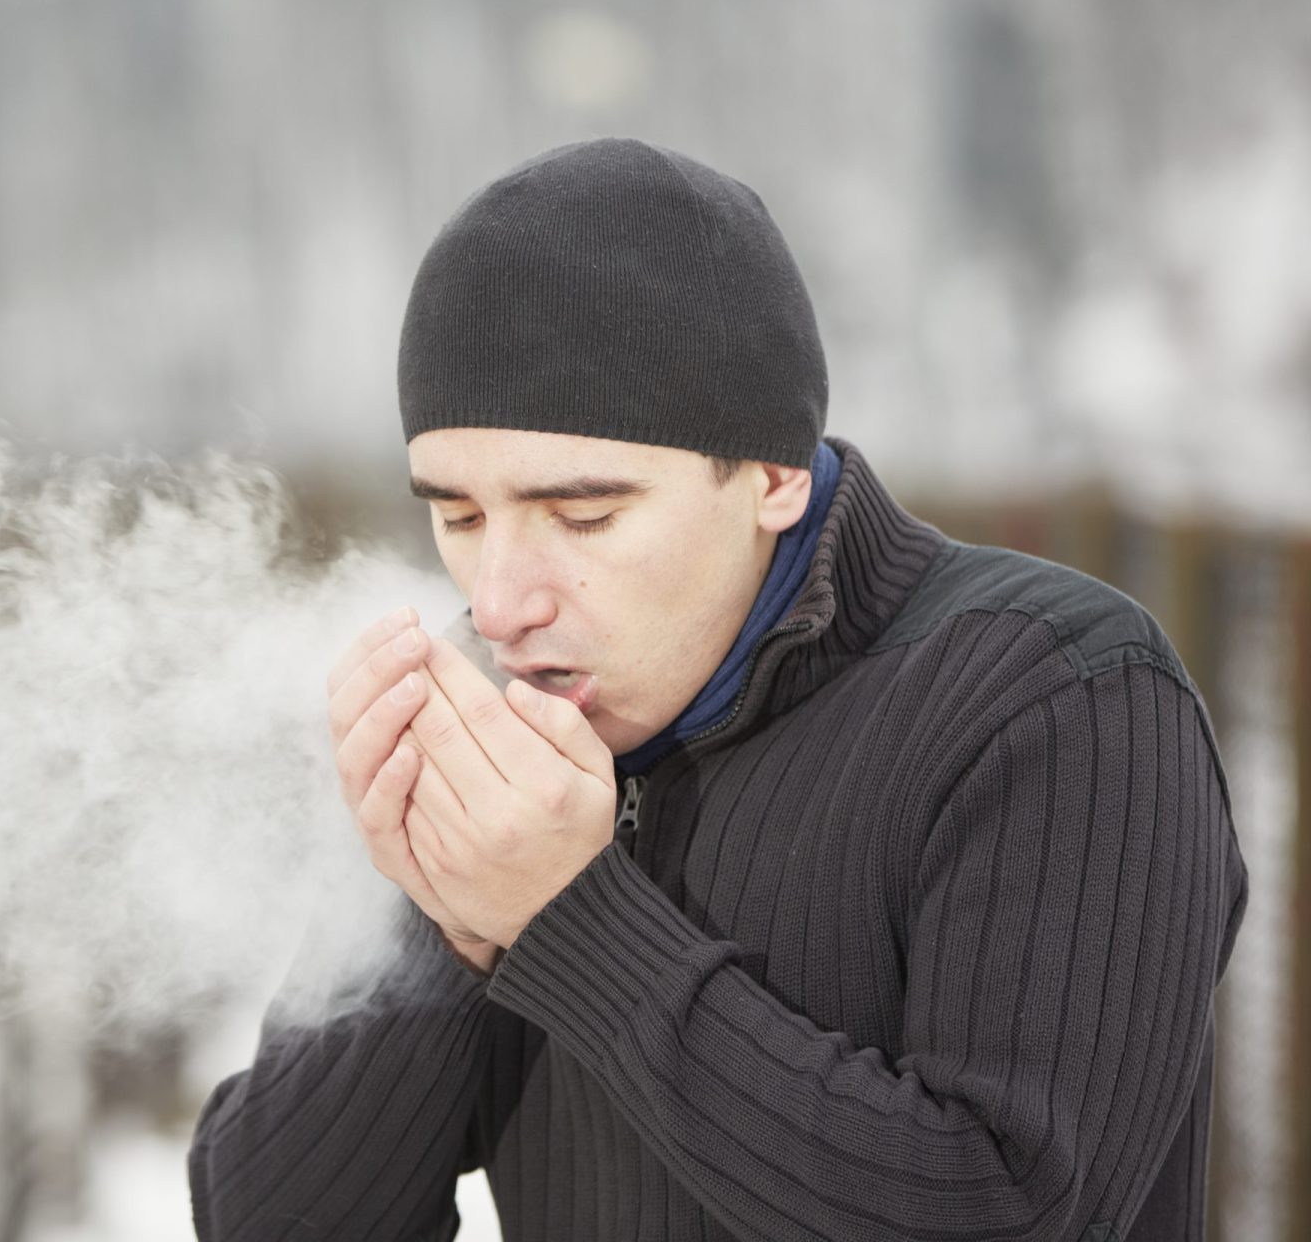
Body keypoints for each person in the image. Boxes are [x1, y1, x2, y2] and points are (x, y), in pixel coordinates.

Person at [187, 137, 1248, 1241]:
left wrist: (565, 917)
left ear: (774, 474)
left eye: (584, 514)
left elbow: (1010, 1215)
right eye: (458, 516)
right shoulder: (496, 723)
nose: (500, 599)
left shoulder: (1056, 699)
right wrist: (448, 918)